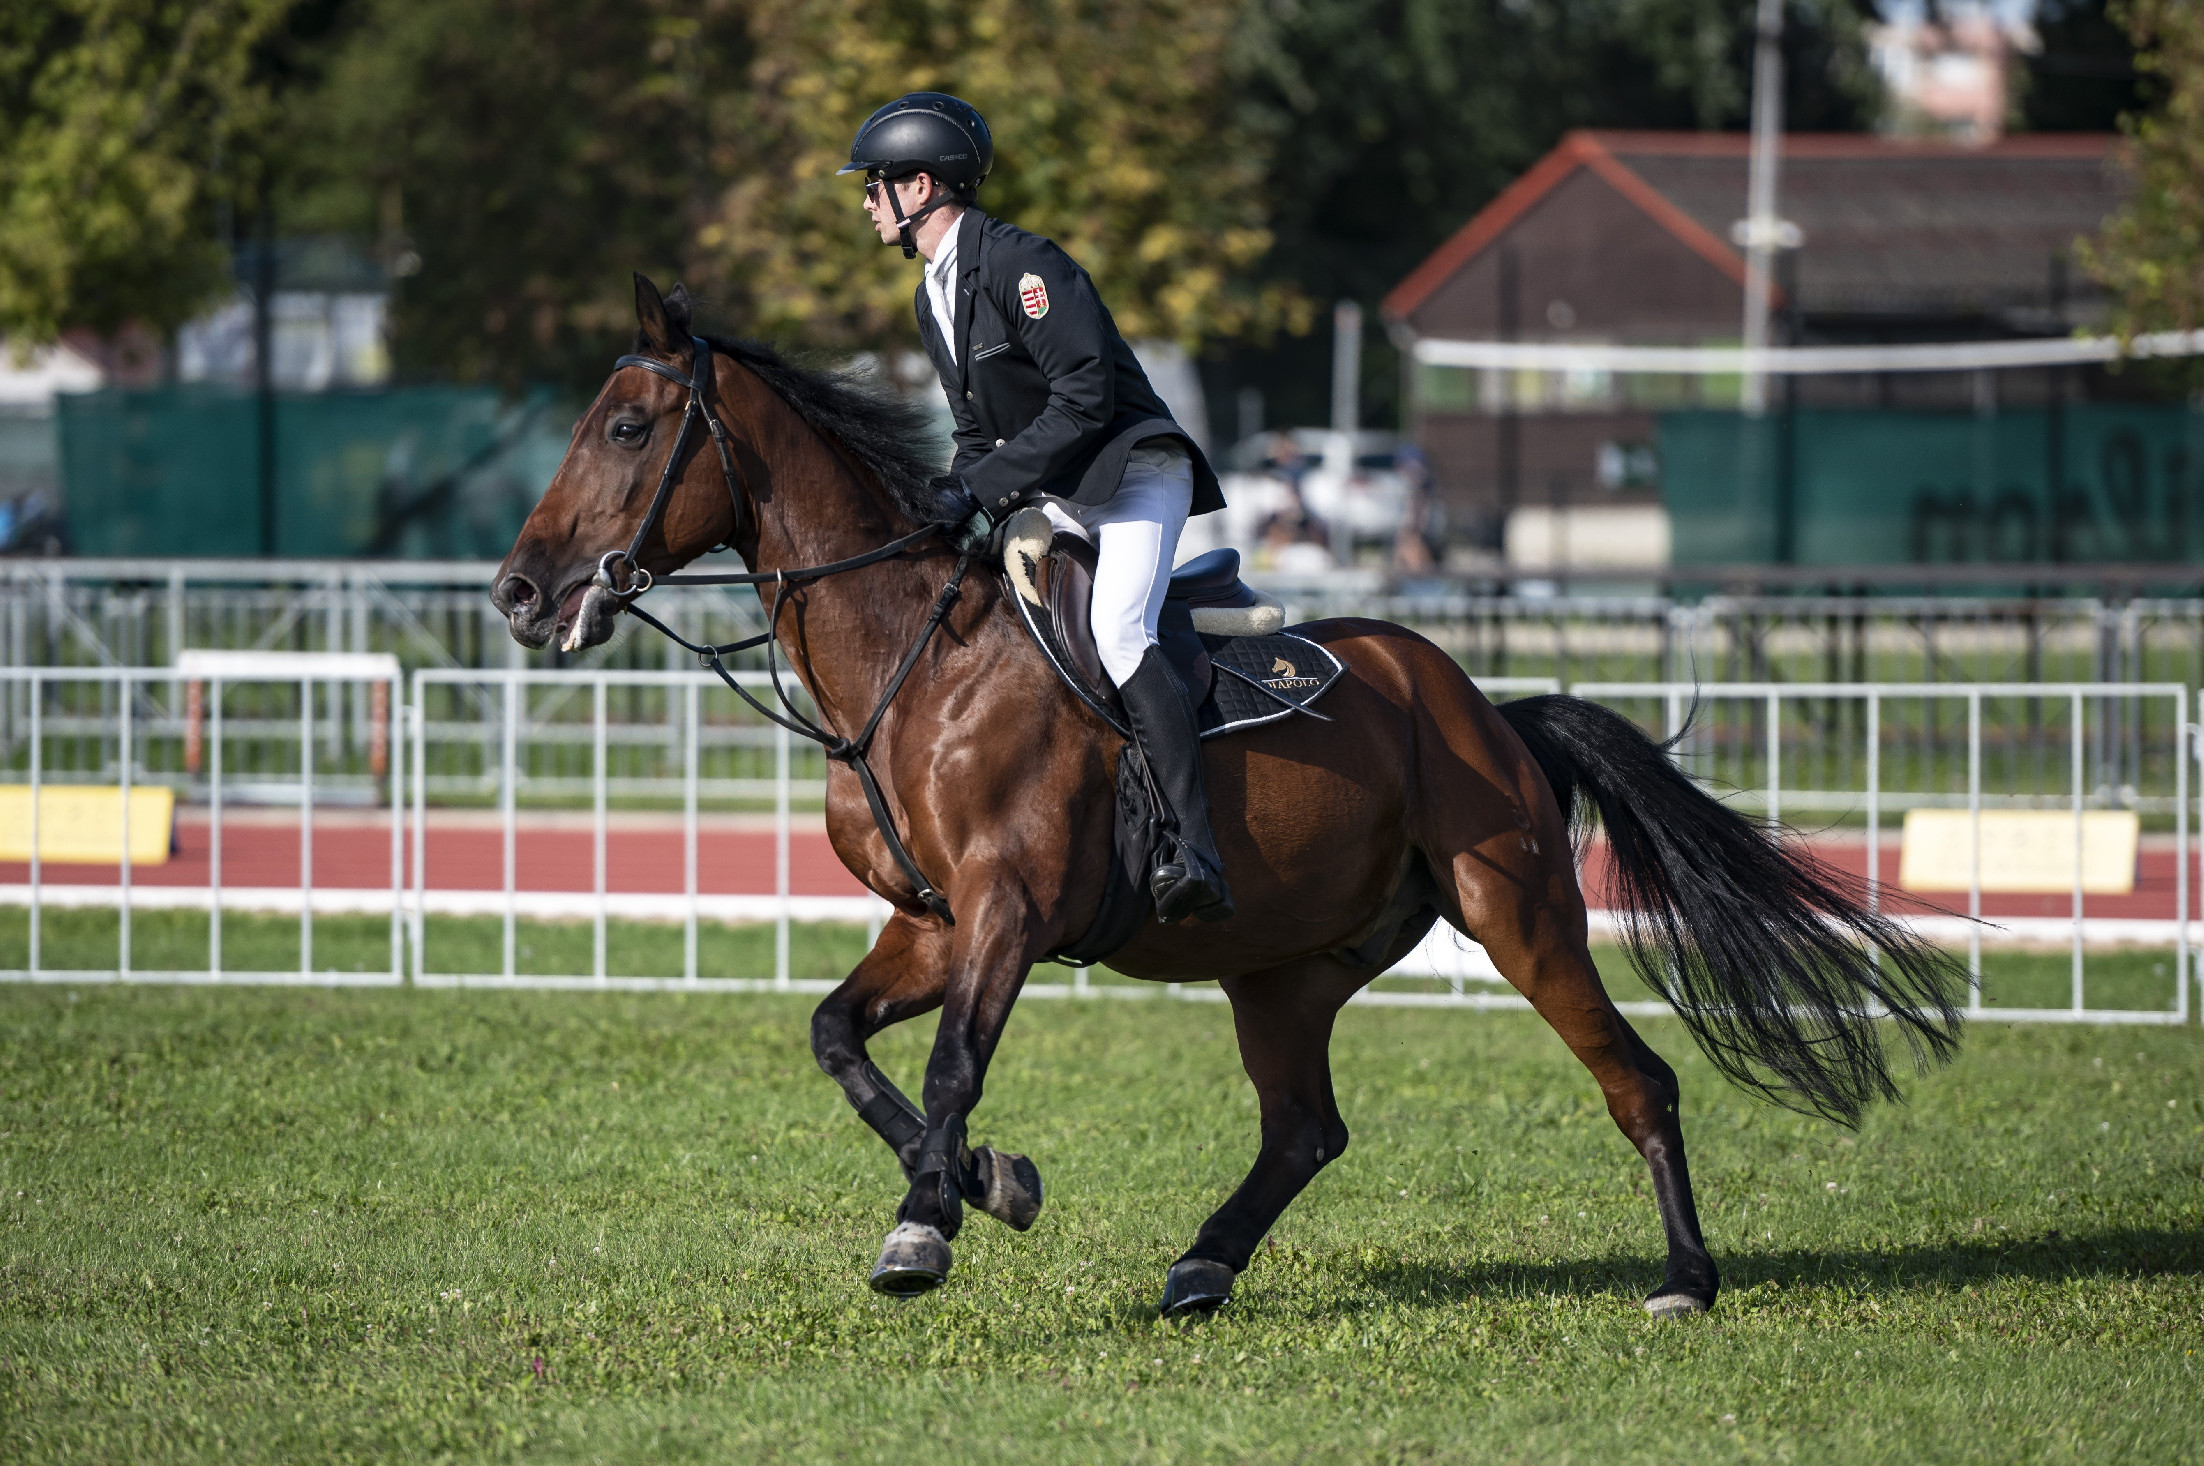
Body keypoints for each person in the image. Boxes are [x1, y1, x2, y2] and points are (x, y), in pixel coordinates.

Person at [841, 92, 1232, 924]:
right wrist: (937, 506)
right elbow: (977, 431)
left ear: (920, 187)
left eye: (874, 185)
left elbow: (1085, 404)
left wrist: (976, 488)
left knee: (1119, 631)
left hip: (1130, 476)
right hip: (1058, 494)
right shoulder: (933, 297)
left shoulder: (1028, 268)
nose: (866, 202)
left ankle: (1195, 848)